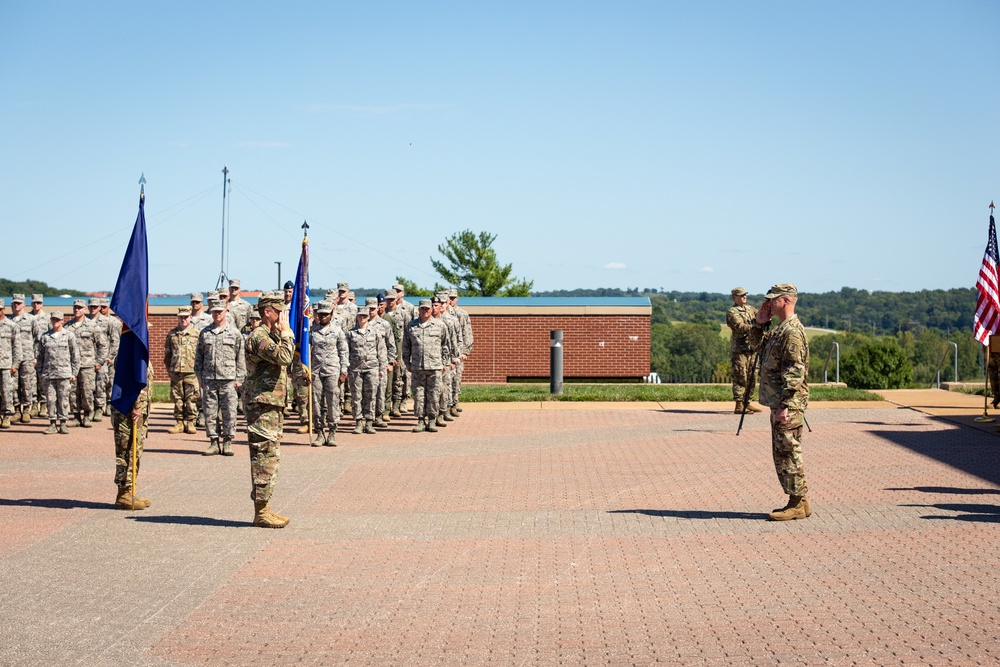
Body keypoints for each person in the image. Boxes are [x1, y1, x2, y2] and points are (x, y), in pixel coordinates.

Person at [749, 284, 811, 521]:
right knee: (784, 451)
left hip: (788, 404)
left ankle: (796, 503)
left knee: (788, 452)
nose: (769, 303)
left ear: (786, 300)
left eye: (773, 300)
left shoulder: (792, 332)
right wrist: (760, 322)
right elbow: (755, 347)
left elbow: (796, 371)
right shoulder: (780, 330)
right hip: (781, 402)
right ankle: (800, 501)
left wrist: (785, 404)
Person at [244, 290, 295, 528]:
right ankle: (260, 511)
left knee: (271, 456)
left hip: (271, 404)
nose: (283, 315)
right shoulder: (259, 336)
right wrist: (286, 334)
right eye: (279, 311)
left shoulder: (270, 334)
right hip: (262, 406)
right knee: (263, 456)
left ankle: (265, 506)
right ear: (267, 312)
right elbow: (284, 357)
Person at [195, 299, 245, 456]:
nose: (216, 314)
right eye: (214, 311)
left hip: (229, 380)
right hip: (209, 379)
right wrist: (200, 378)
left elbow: (240, 358)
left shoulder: (234, 333)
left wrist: (239, 379)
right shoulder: (205, 333)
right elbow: (199, 358)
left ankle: (228, 442)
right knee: (210, 412)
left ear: (226, 312)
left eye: (219, 311)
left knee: (229, 412)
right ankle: (214, 442)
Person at [403, 299, 453, 433]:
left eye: (427, 308)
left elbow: (445, 346)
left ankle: (431, 420)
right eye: (422, 309)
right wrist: (407, 363)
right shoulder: (411, 326)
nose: (425, 311)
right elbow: (406, 347)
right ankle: (420, 420)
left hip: (435, 367)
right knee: (419, 395)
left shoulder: (440, 325)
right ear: (418, 310)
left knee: (434, 395)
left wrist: (444, 363)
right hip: (417, 367)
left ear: (431, 309)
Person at [111, 364, 153, 510]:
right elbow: (130, 382)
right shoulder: (131, 351)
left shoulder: (138, 350)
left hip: (138, 410)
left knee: (134, 452)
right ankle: (123, 494)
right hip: (128, 412)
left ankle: (130, 491)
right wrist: (136, 405)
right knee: (126, 451)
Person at [308, 300, 348, 446]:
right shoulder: (312, 331)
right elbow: (306, 352)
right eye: (321, 314)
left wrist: (344, 371)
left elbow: (343, 352)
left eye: (326, 314)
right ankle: (319, 433)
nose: (323, 317)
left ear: (331, 314)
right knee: (317, 403)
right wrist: (305, 371)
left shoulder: (337, 331)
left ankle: (332, 432)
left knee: (332, 402)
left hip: (332, 371)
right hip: (316, 372)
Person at [65, 299, 108, 428]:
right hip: (72, 366)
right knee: (73, 392)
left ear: (85, 310)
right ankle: (76, 417)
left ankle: (88, 415)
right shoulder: (67, 327)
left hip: (87, 365)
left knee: (87, 391)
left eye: (80, 308)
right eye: (75, 308)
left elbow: (102, 345)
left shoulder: (93, 326)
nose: (77, 310)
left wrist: (99, 361)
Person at [36, 311, 79, 435]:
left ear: (62, 321)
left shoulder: (69, 336)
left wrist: (74, 373)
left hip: (64, 373)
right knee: (50, 400)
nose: (55, 321)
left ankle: (63, 423)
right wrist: (40, 373)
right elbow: (40, 357)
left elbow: (75, 356)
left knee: (64, 399)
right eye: (53, 319)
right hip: (48, 374)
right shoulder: (45, 337)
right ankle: (52, 424)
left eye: (57, 319)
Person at [345, 307, 386, 434]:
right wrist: (346, 368)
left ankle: (369, 422)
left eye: (364, 316)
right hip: (355, 369)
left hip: (372, 368)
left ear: (368, 317)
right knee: (356, 396)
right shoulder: (350, 333)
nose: (362, 318)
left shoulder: (375, 333)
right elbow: (346, 351)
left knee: (371, 395)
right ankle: (358, 422)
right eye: (360, 316)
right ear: (357, 317)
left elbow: (381, 351)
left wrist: (382, 368)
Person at [164, 306, 200, 435]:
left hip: (192, 372)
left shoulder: (197, 334)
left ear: (190, 317)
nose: (183, 319)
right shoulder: (172, 334)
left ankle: (190, 422)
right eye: (181, 317)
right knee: (177, 398)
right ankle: (179, 423)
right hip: (176, 372)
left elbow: (202, 354)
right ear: (178, 318)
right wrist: (170, 370)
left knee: (192, 399)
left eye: (186, 317)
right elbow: (167, 355)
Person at [726, 287, 763, 415]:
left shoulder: (751, 309)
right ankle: (739, 404)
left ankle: (748, 402)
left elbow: (761, 317)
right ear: (734, 297)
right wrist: (756, 327)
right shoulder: (732, 312)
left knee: (753, 376)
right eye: (741, 295)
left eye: (745, 295)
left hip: (752, 348)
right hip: (740, 350)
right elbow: (740, 327)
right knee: (740, 376)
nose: (744, 297)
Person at [8, 294, 37, 424]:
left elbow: (37, 339)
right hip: (13, 358)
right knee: (14, 386)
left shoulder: (31, 319)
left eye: (19, 303)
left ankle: (26, 409)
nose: (16, 305)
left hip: (27, 357)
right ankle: (16, 410)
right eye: (14, 303)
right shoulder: (8, 321)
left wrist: (35, 356)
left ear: (24, 304)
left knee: (27, 384)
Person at [0, 299, 22, 429]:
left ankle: (6, 415)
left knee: (7, 391)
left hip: (6, 364)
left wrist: (15, 365)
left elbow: (17, 347)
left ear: (4, 310)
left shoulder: (11, 325)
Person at [99, 298, 121, 415]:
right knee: (99, 383)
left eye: (104, 307)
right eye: (100, 307)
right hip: (98, 358)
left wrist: (111, 356)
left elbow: (116, 341)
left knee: (110, 382)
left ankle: (109, 404)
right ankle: (98, 406)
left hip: (110, 358)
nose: (101, 309)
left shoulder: (114, 322)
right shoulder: (94, 321)